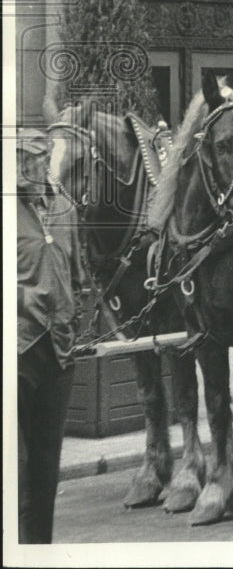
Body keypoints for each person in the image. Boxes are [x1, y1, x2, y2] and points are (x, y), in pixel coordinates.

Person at [18, 127, 84, 544]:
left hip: (59, 351)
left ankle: (38, 547)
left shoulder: (66, 210)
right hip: (17, 350)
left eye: (34, 161)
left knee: (45, 463)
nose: (27, 169)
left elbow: (76, 277)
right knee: (15, 463)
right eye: (21, 161)